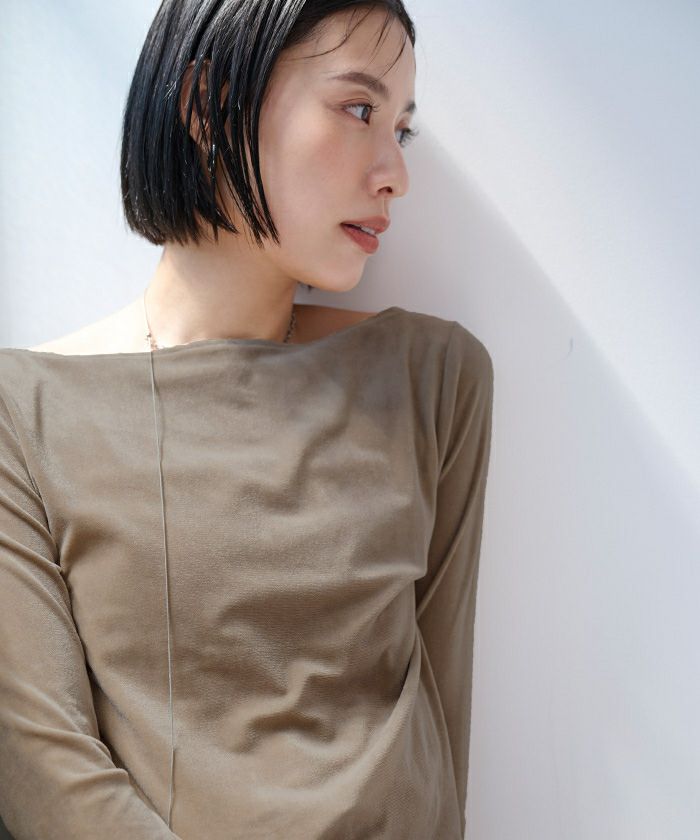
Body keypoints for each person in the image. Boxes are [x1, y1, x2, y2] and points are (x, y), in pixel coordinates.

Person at [0, 1, 494, 838]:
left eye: (402, 131)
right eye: (360, 109)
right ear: (208, 104)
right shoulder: (26, 415)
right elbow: (42, 772)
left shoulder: (434, 378)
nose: (395, 174)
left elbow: (440, 746)